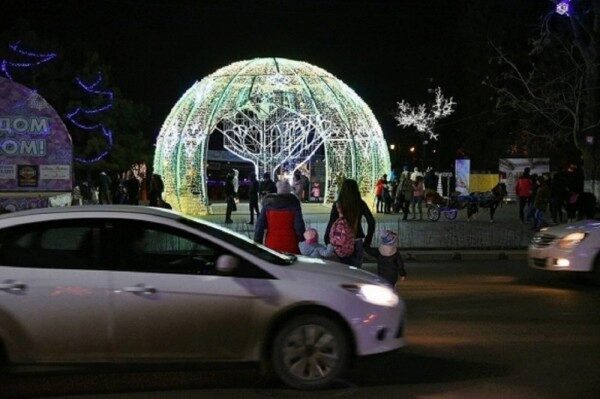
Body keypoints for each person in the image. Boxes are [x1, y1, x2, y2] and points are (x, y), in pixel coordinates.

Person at [324, 179, 375, 268]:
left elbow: (331, 223)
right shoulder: (360, 203)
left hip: (341, 242)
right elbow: (371, 222)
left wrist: (327, 240)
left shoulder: (338, 204)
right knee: (356, 272)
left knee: (344, 272)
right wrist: (368, 240)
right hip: (357, 240)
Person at [254, 180, 306, 254]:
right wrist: (302, 239)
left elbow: (260, 226)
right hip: (291, 243)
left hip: (271, 244)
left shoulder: (268, 204)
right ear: (289, 190)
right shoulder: (294, 204)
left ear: (277, 190)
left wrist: (257, 243)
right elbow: (299, 226)